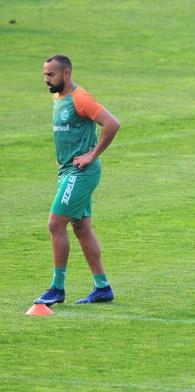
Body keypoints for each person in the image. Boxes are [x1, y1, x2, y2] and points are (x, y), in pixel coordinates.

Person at [34, 55, 120, 306]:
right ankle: (103, 287)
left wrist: (92, 154)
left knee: (55, 224)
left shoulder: (80, 98)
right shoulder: (58, 98)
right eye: (45, 74)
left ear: (67, 73)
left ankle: (57, 289)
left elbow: (112, 124)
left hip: (81, 172)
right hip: (68, 172)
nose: (46, 79)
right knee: (81, 228)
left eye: (51, 74)